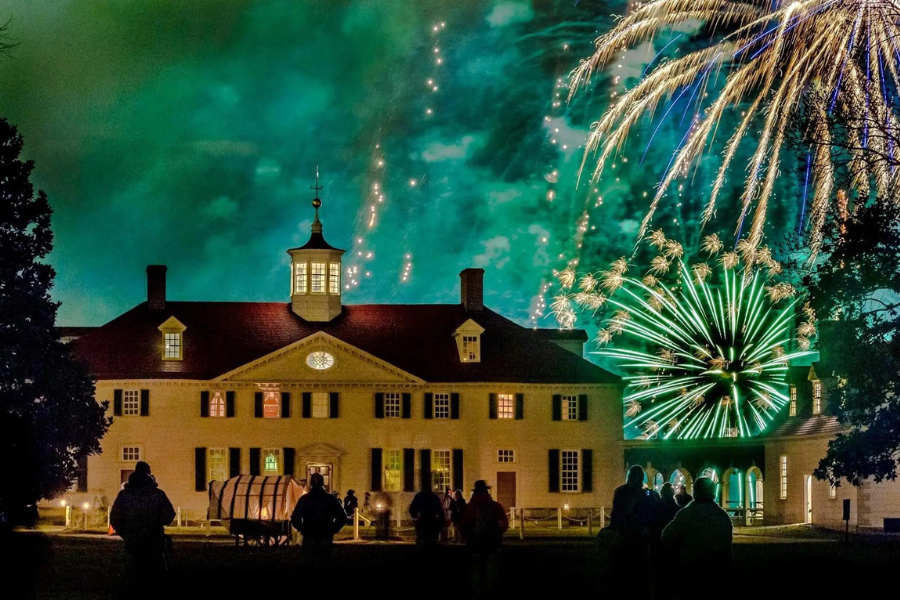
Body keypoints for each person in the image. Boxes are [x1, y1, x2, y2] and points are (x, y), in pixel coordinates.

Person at [109, 461, 175, 600]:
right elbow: (169, 515)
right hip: (154, 540)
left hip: (133, 540)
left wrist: (125, 533)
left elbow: (115, 517)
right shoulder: (157, 494)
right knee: (154, 576)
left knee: (132, 574)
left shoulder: (125, 495)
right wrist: (157, 524)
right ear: (149, 475)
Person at [661, 477, 733, 599]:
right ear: (713, 493)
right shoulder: (722, 516)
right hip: (716, 571)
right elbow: (727, 544)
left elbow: (666, 537)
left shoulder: (686, 514)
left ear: (695, 492)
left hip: (691, 569)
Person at [606, 465, 657, 599]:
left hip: (627, 533)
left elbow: (615, 513)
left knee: (623, 567)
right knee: (638, 569)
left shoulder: (621, 492)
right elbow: (651, 514)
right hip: (637, 534)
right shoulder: (644, 494)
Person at [290, 472, 347, 588]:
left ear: (311, 484)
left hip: (309, 535)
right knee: (324, 564)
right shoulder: (330, 499)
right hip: (325, 536)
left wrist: (302, 529)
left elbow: (294, 517)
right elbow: (342, 517)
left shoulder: (304, 499)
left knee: (309, 564)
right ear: (323, 483)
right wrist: (333, 529)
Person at [460, 480, 509, 599]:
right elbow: (504, 523)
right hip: (492, 543)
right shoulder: (495, 506)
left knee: (476, 569)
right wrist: (498, 534)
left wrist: (467, 537)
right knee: (490, 569)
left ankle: (477, 593)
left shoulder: (470, 507)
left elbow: (463, 525)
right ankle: (490, 594)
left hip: (475, 543)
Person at [650, 482, 682, 598]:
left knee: (658, 570)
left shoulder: (657, 506)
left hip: (658, 540)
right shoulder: (675, 507)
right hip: (670, 541)